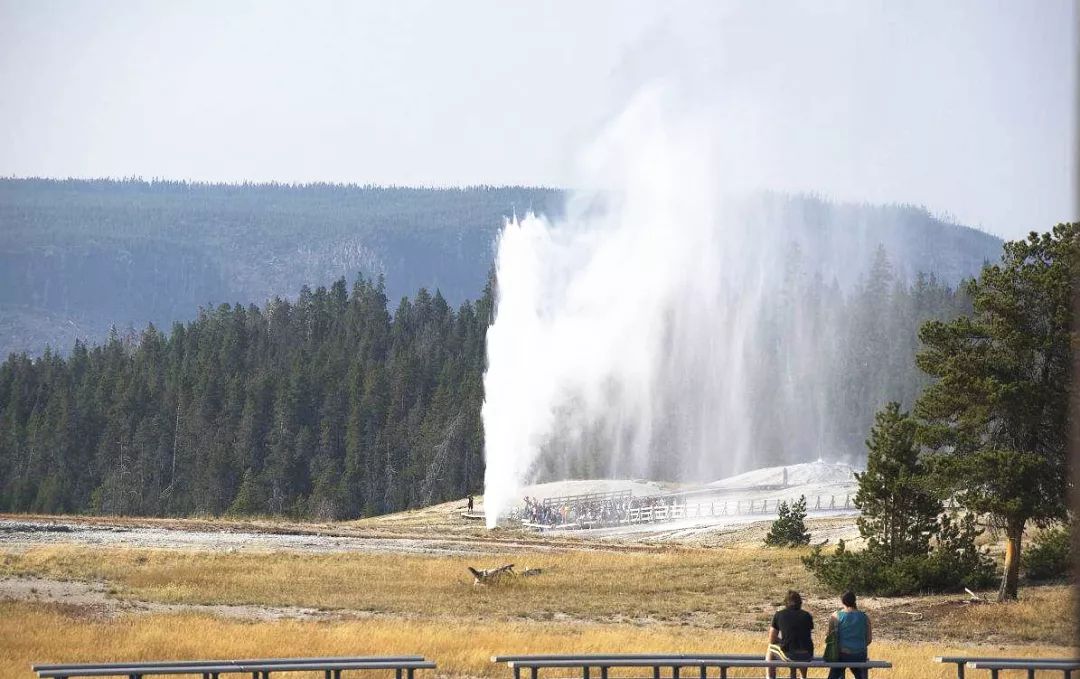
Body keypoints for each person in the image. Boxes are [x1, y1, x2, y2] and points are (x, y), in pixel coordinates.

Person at [766, 590, 814, 679]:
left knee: (770, 647)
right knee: (802, 647)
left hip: (790, 654)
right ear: (800, 602)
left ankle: (770, 677)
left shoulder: (779, 615)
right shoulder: (807, 615)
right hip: (808, 655)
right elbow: (805, 636)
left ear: (785, 602)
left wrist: (782, 641)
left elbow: (771, 639)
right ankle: (803, 677)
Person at [826, 591, 872, 679]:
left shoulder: (836, 616)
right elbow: (869, 639)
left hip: (842, 654)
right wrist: (857, 648)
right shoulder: (864, 617)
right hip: (860, 654)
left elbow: (830, 637)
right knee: (860, 675)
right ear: (854, 601)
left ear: (842, 601)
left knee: (835, 673)